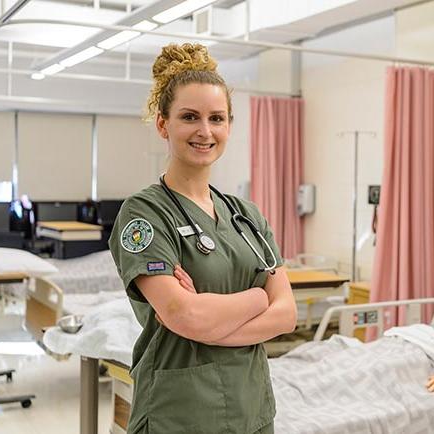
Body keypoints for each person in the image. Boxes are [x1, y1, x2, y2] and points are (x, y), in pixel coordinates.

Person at [109, 43, 297, 434]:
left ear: (229, 125)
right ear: (163, 124)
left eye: (217, 118)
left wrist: (210, 320)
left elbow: (287, 315)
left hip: (252, 409)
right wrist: (258, 297)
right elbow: (184, 315)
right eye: (189, 117)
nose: (205, 131)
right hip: (178, 413)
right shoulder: (145, 213)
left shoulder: (247, 216)